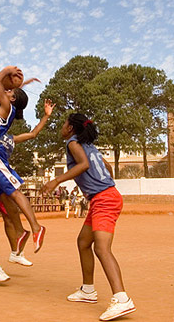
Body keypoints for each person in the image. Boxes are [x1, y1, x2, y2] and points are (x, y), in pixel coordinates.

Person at [42, 113, 136, 321]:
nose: (62, 126)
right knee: (83, 242)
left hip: (104, 199)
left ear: (71, 128)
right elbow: (107, 167)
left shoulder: (72, 143)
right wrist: (101, 182)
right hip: (103, 197)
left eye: (64, 123)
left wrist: (56, 181)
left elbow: (83, 165)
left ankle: (122, 299)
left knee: (101, 248)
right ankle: (87, 290)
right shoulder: (90, 146)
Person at [0, 89, 54, 281]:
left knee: (11, 211)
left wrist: (46, 116)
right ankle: (16, 247)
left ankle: (20, 245)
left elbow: (33, 133)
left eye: (10, 91)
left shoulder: (9, 138)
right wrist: (3, 88)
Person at [0, 66, 45, 254]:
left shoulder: (6, 108)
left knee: (14, 191)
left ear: (11, 99)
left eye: (9, 92)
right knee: (5, 196)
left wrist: (8, 70)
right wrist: (11, 85)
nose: (6, 91)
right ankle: (21, 231)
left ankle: (36, 227)